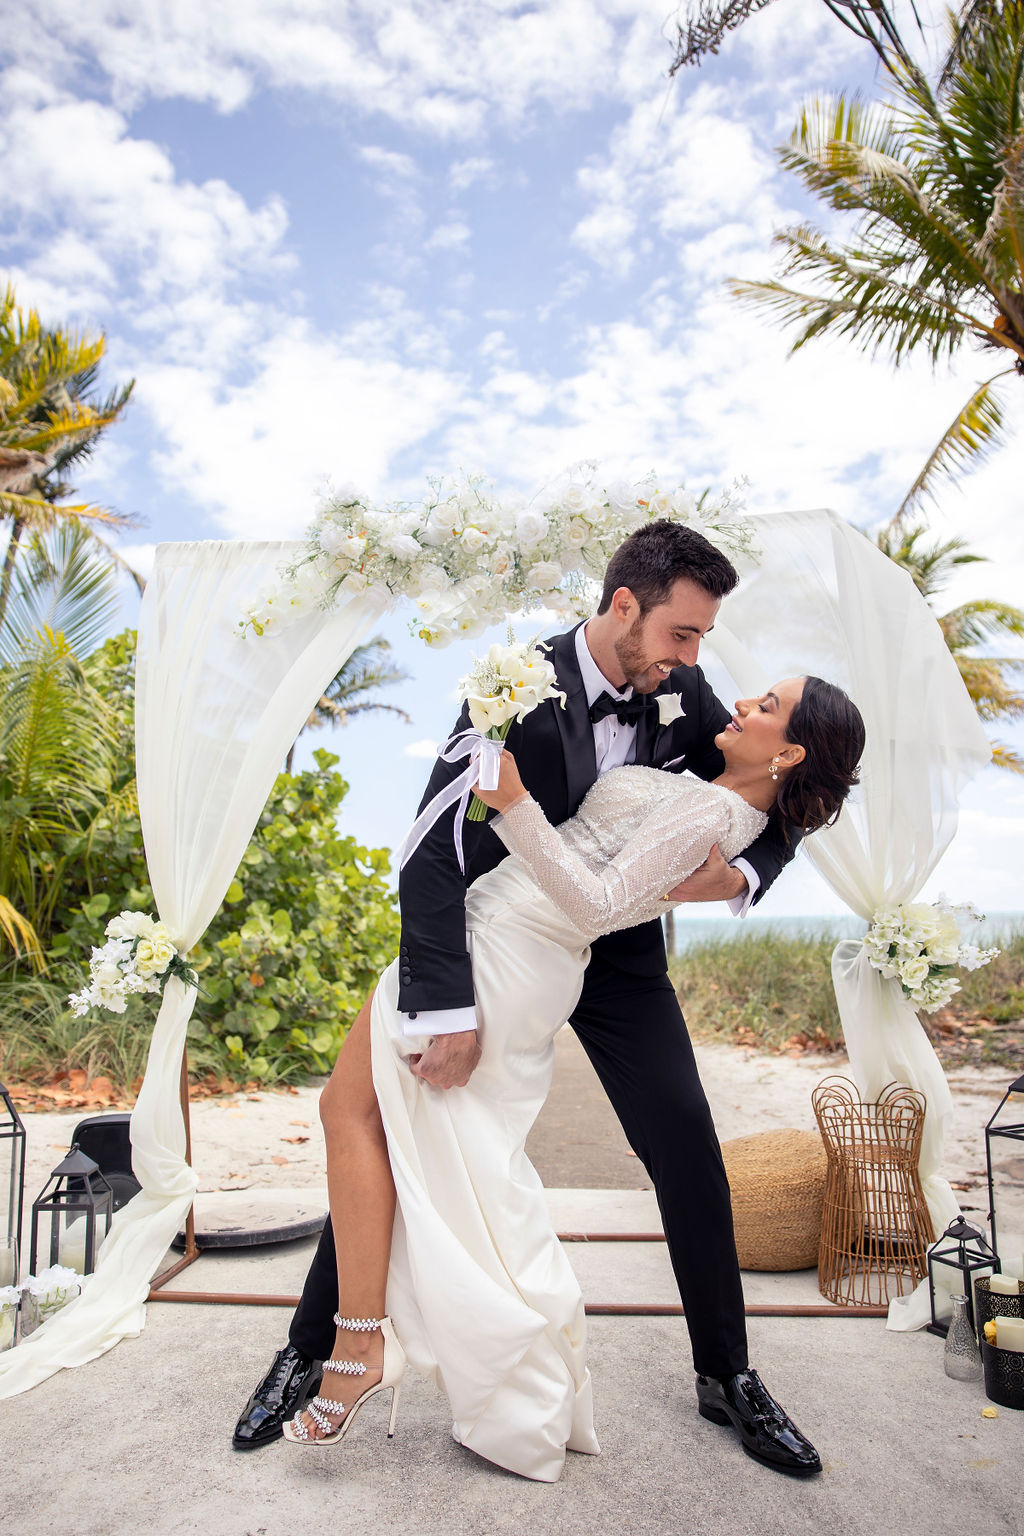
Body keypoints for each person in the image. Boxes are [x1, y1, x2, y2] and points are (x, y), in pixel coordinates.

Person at [231, 521, 858, 1476]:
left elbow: (777, 792)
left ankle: (727, 1374)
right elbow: (432, 843)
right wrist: (445, 1006)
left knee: (686, 1139)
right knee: (403, 1126)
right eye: (683, 634)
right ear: (623, 609)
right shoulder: (511, 682)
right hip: (509, 932)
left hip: (617, 956)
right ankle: (310, 1347)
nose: (699, 661)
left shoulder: (685, 691)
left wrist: (742, 879)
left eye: (701, 639)